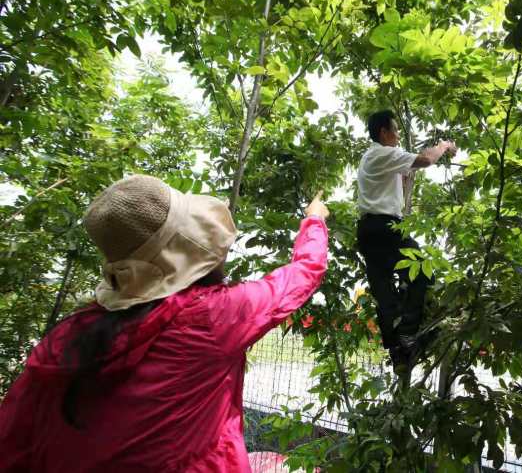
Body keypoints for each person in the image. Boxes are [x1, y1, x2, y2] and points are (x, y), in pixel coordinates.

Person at [0, 174, 329, 472]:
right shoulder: (212, 317)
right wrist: (314, 220)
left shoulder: (66, 337)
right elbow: (301, 275)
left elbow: (13, 440)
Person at [356, 109, 456, 372]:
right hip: (386, 227)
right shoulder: (382, 152)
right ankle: (409, 333)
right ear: (383, 132)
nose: (399, 136)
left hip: (368, 230)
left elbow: (401, 175)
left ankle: (398, 352)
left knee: (385, 292)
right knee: (422, 271)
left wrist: (405, 176)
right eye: (396, 130)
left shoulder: (372, 157)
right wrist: (443, 146)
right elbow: (425, 159)